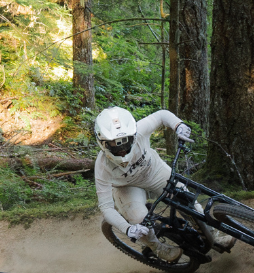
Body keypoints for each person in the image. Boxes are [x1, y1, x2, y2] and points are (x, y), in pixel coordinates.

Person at [93, 107, 234, 261]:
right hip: (127, 188)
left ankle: (213, 233)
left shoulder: (140, 130)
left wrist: (178, 125)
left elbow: (161, 115)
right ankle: (156, 247)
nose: (121, 149)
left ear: (133, 134)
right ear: (103, 143)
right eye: (115, 144)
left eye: (126, 142)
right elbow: (106, 207)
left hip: (154, 171)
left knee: (187, 199)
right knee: (139, 219)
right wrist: (128, 229)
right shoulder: (101, 167)